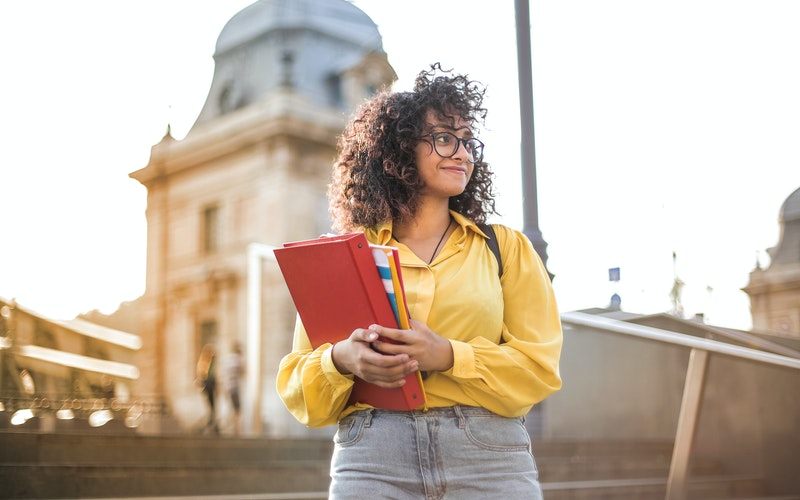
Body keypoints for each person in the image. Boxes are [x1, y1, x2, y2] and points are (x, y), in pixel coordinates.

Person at [276, 64, 562, 499]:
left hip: (488, 456)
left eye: (468, 141)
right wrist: (342, 360)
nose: (463, 153)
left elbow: (539, 369)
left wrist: (448, 355)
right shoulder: (346, 256)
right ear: (399, 148)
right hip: (372, 456)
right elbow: (300, 386)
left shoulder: (505, 248)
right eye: (444, 138)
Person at [222, 341, 244, 435]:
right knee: (237, 409)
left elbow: (223, 374)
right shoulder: (237, 359)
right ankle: (236, 429)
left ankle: (230, 428)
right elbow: (242, 372)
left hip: (227, 386)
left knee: (230, 407)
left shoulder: (227, 359)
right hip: (234, 387)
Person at [196, 343, 218, 434]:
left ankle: (211, 422)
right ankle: (209, 422)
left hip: (209, 385)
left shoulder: (209, 363)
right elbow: (202, 376)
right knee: (210, 405)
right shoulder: (205, 363)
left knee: (211, 405)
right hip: (208, 385)